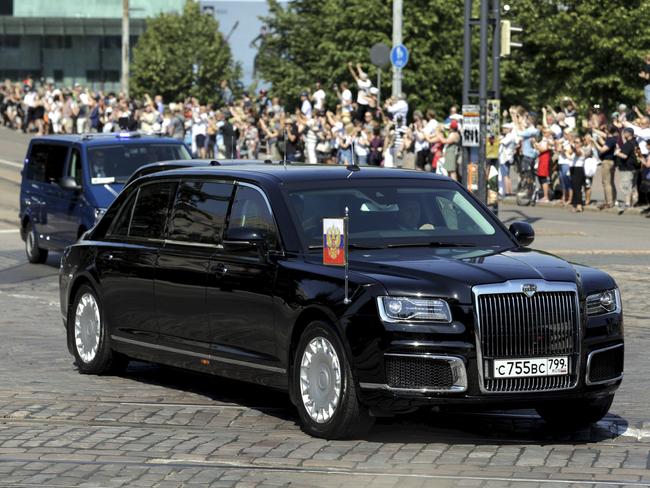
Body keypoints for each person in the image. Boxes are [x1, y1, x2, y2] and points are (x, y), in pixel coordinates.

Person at [614, 127, 639, 214]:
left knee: (626, 186)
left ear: (628, 134)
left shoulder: (628, 144)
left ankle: (628, 203)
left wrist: (617, 153)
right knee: (632, 186)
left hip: (627, 169)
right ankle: (632, 202)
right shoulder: (635, 142)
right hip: (635, 168)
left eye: (624, 133)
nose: (623, 135)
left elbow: (624, 156)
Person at [593, 124, 618, 209]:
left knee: (606, 182)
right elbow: (603, 137)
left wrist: (594, 142)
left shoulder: (610, 140)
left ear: (608, 130)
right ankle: (612, 200)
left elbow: (602, 149)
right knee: (611, 182)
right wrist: (594, 129)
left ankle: (609, 202)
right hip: (611, 162)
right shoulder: (612, 139)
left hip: (607, 162)